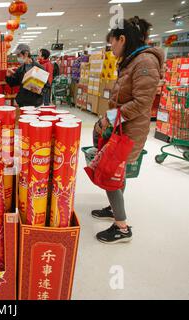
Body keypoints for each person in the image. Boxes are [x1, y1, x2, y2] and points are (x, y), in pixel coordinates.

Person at [93, 16, 164, 244]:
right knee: (117, 173)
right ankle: (114, 209)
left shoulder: (144, 63)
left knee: (111, 173)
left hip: (129, 131)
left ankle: (122, 227)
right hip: (122, 128)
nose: (111, 48)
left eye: (112, 43)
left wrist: (111, 117)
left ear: (122, 39)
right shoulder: (133, 61)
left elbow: (142, 102)